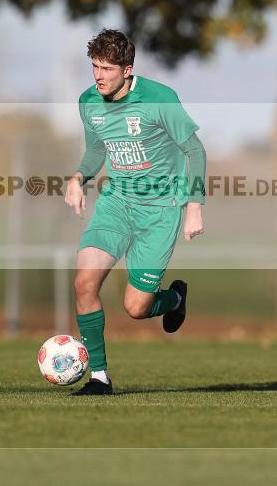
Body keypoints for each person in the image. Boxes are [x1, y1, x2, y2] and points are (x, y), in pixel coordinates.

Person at [64, 29, 207, 396]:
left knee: (137, 308)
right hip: (117, 204)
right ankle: (99, 378)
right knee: (84, 282)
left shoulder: (160, 99)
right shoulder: (89, 101)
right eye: (94, 66)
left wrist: (194, 206)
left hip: (160, 211)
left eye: (107, 68)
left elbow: (196, 152)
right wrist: (79, 177)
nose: (98, 76)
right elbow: (97, 148)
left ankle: (174, 298)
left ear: (127, 70)